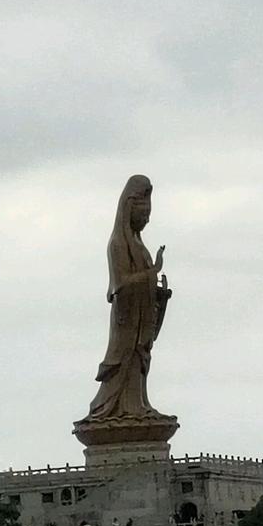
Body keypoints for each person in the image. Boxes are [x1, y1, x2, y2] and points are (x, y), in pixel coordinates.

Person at [85, 175, 173, 420]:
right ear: (128, 209)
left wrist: (158, 294)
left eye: (148, 217)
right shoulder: (117, 244)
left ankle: (138, 405)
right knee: (125, 361)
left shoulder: (139, 245)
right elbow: (120, 285)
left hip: (140, 322)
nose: (146, 221)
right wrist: (152, 272)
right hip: (126, 323)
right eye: (143, 215)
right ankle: (117, 408)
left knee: (138, 363)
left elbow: (142, 281)